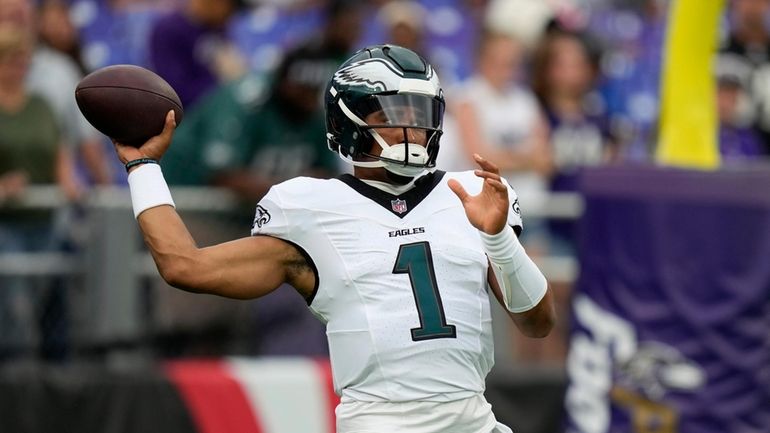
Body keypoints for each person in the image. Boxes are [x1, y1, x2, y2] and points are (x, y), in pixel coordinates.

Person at [113, 45, 554, 432]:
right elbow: (184, 265)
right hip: (380, 423)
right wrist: (143, 169)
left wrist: (497, 238)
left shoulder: (470, 193)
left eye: (421, 116)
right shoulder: (310, 207)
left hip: (472, 418)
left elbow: (538, 323)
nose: (413, 131)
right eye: (395, 115)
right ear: (351, 120)